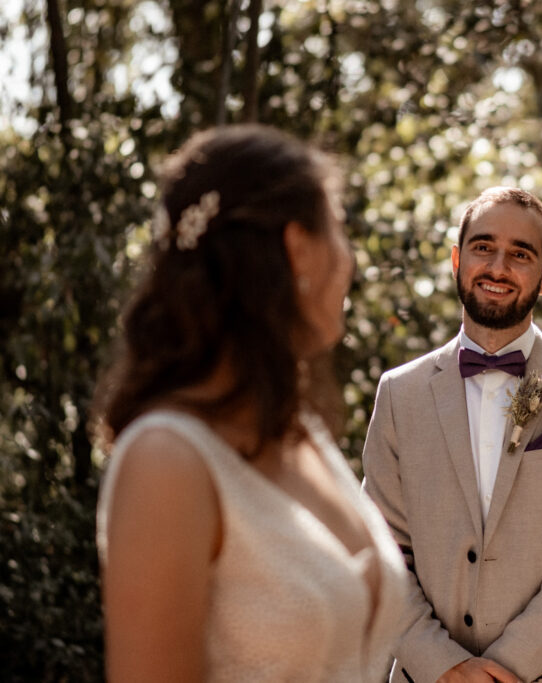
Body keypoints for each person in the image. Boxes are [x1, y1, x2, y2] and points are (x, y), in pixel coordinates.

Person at [93, 124, 409, 682]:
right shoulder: (166, 461)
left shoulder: (301, 433)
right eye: (338, 227)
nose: (350, 258)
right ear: (298, 249)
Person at [362, 187, 542, 683]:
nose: (498, 266)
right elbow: (380, 548)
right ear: (456, 260)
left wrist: (508, 667)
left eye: (521, 254)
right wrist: (440, 663)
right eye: (483, 246)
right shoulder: (399, 394)